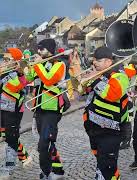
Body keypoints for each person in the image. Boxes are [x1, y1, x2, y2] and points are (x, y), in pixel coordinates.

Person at [82, 46, 136, 179]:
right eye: (94, 60)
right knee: (103, 163)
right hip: (95, 128)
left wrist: (95, 79)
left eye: (98, 61)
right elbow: (87, 94)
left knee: (106, 167)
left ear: (108, 62)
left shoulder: (120, 76)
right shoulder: (100, 75)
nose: (94, 63)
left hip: (111, 131)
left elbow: (113, 94)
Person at [25, 39, 67, 179]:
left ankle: (46, 172)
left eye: (41, 49)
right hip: (39, 108)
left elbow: (49, 79)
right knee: (48, 142)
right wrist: (25, 69)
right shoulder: (40, 64)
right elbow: (30, 78)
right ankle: (58, 170)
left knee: (43, 144)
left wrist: (38, 65)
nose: (38, 52)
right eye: (38, 49)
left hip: (52, 109)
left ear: (49, 50)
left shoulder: (59, 64)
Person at [0, 48, 33, 179]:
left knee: (11, 138)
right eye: (4, 59)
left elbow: (13, 87)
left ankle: (9, 167)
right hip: (2, 108)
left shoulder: (20, 74)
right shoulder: (5, 72)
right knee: (8, 136)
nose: (4, 62)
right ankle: (24, 156)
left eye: (8, 59)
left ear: (16, 61)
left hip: (13, 111)